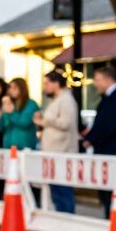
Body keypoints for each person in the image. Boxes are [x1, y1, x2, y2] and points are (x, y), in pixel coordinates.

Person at [82, 65, 116, 217]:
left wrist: (91, 139)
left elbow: (110, 126)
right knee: (106, 194)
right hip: (108, 152)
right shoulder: (108, 99)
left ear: (108, 79)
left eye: (97, 80)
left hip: (113, 152)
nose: (95, 84)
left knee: (112, 193)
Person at [34, 71, 79, 213]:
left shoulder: (66, 100)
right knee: (56, 193)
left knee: (63, 191)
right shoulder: (57, 100)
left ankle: (67, 220)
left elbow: (65, 123)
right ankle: (60, 220)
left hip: (62, 153)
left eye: (47, 83)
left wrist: (45, 120)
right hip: (53, 153)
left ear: (56, 83)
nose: (45, 87)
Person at [0, 77, 40, 151]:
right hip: (8, 148)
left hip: (25, 148)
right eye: (10, 87)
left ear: (22, 89)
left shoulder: (31, 104)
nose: (11, 90)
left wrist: (12, 113)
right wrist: (1, 111)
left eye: (15, 88)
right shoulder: (9, 104)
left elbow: (25, 122)